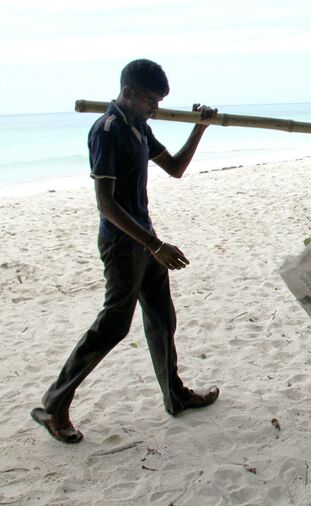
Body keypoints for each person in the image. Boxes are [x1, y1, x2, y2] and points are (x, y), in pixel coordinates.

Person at [31, 59, 220, 443]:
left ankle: (175, 396)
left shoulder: (139, 128)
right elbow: (105, 203)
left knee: (162, 318)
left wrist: (199, 129)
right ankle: (53, 406)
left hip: (146, 240)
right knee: (114, 326)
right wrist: (154, 245)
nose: (155, 107)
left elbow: (176, 168)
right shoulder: (107, 130)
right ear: (128, 93)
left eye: (160, 101)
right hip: (123, 243)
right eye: (151, 100)